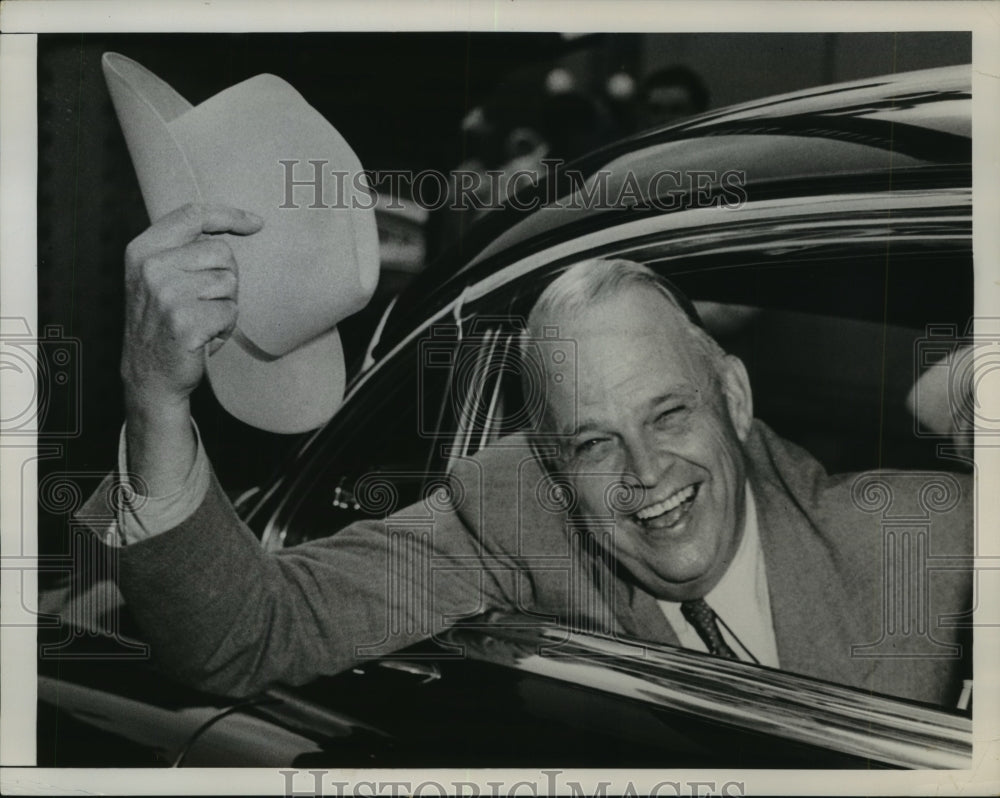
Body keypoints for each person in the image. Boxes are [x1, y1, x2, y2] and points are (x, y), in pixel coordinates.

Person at [77, 203, 972, 705]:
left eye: (669, 414)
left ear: (732, 397)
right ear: (546, 460)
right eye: (592, 441)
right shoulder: (515, 513)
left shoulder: (915, 539)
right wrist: (156, 399)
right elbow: (241, 635)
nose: (646, 474)